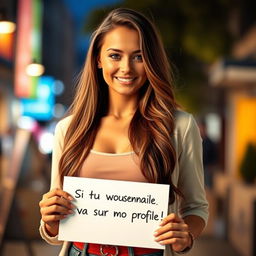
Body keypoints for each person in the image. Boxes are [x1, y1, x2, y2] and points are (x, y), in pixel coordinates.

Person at [39, 8, 208, 256]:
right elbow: (55, 226)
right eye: (115, 56)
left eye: (139, 57)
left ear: (151, 61)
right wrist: (50, 221)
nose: (126, 68)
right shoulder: (69, 129)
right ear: (98, 59)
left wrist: (186, 235)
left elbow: (196, 208)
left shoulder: (179, 126)